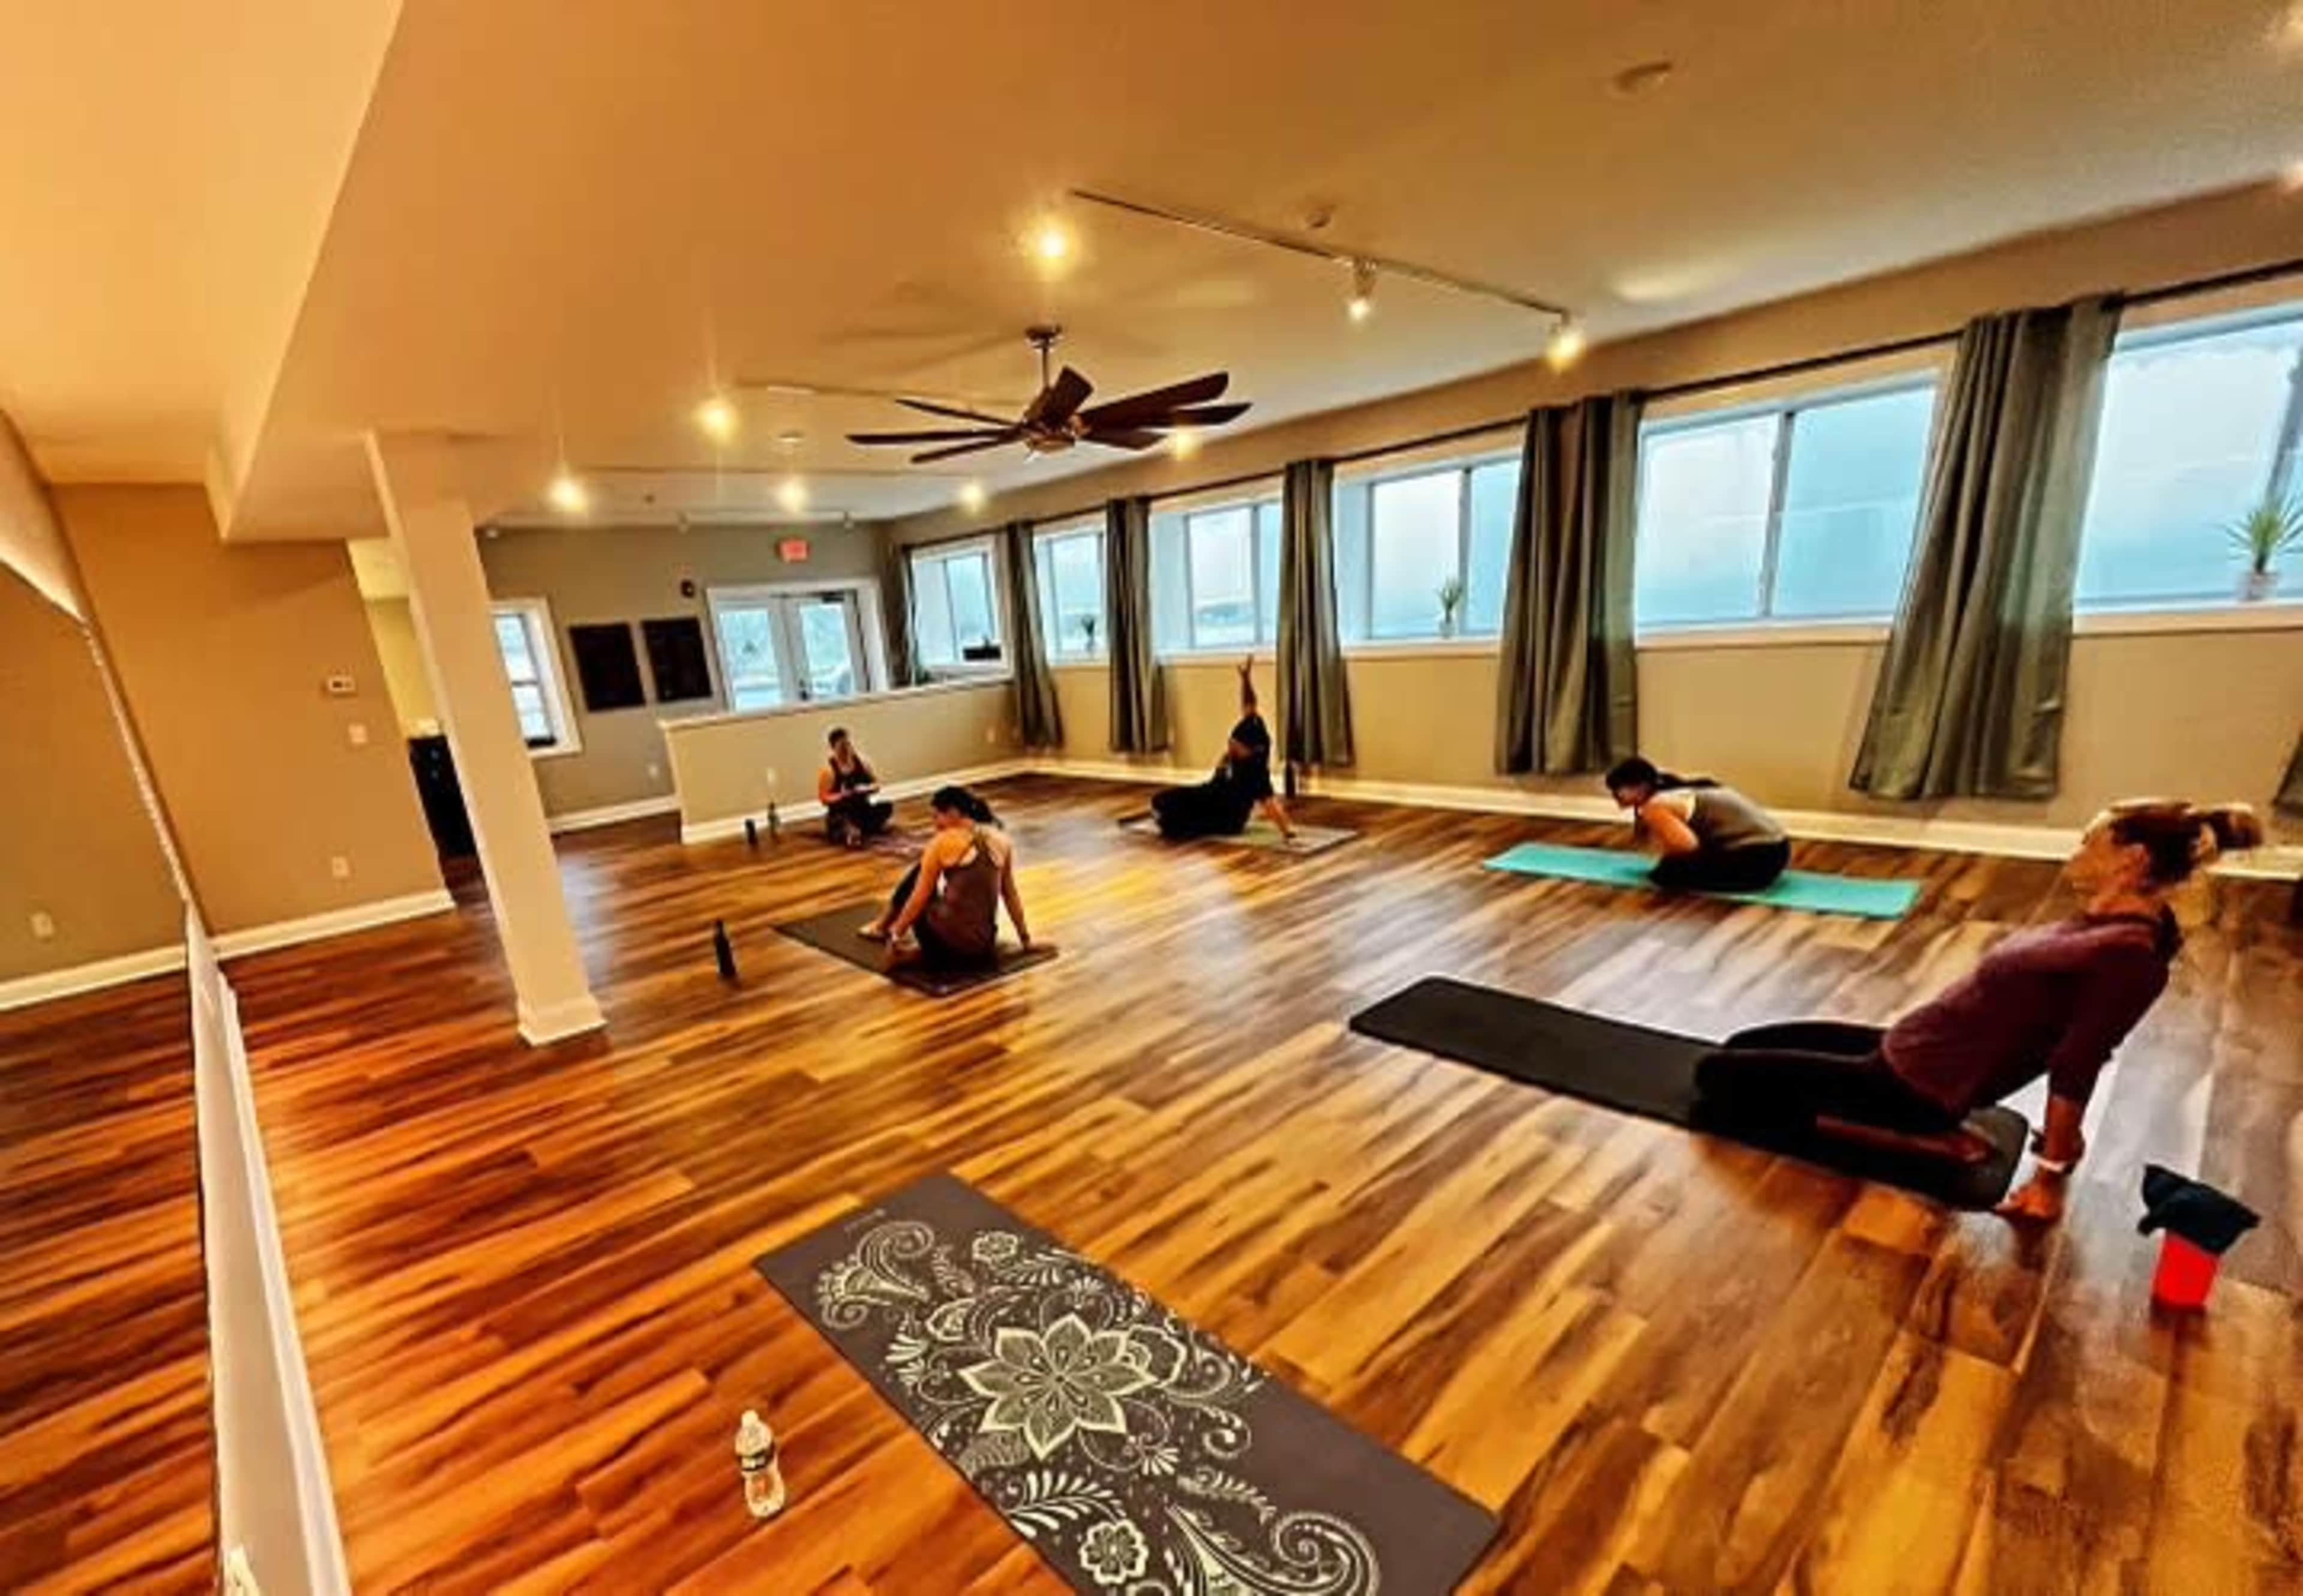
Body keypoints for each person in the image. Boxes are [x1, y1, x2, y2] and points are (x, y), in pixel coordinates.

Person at [1693, 799, 2262, 1225]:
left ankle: (1937, 1138)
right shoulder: (2103, 921)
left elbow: (2078, 1063)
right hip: (1908, 1047)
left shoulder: (2130, 956)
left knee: (1716, 1076)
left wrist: (2050, 1176)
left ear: (2131, 860)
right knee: (1744, 1042)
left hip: (1917, 1088)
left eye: (2089, 842)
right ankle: (1921, 1122)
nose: (2074, 853)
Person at [858, 786, 1036, 967]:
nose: (935, 824)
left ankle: (882, 928)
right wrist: (1026, 940)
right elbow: (1010, 895)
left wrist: (896, 935)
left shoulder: (941, 843)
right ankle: (916, 952)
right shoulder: (1001, 840)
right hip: (983, 949)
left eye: (936, 816)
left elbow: (919, 897)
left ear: (953, 813)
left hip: (944, 945)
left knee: (918, 875)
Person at [1150, 656, 1296, 843]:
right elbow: (1250, 704)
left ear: (1249, 750)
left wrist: (1287, 832)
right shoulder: (1255, 726)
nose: (1230, 747)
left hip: (1226, 818)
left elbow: (1271, 805)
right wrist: (1246, 679)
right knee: (1163, 800)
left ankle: (1170, 821)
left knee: (1176, 819)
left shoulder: (1256, 774)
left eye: (1235, 745)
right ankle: (1165, 817)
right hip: (1211, 793)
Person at [1604, 756, 1788, 892]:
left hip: (1759, 859)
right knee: (1669, 867)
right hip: (1778, 850)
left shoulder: (1655, 806)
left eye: (1617, 790)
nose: (1614, 796)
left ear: (1640, 787)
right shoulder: (1675, 791)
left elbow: (1687, 846)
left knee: (1667, 874)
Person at [819, 727, 893, 847]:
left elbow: (877, 786)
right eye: (841, 747)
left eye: (847, 744)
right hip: (842, 813)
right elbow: (824, 798)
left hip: (862, 809)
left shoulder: (863, 762)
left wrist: (865, 789)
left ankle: (861, 828)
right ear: (833, 748)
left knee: (887, 807)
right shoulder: (828, 771)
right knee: (841, 822)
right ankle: (851, 831)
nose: (846, 749)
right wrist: (842, 795)